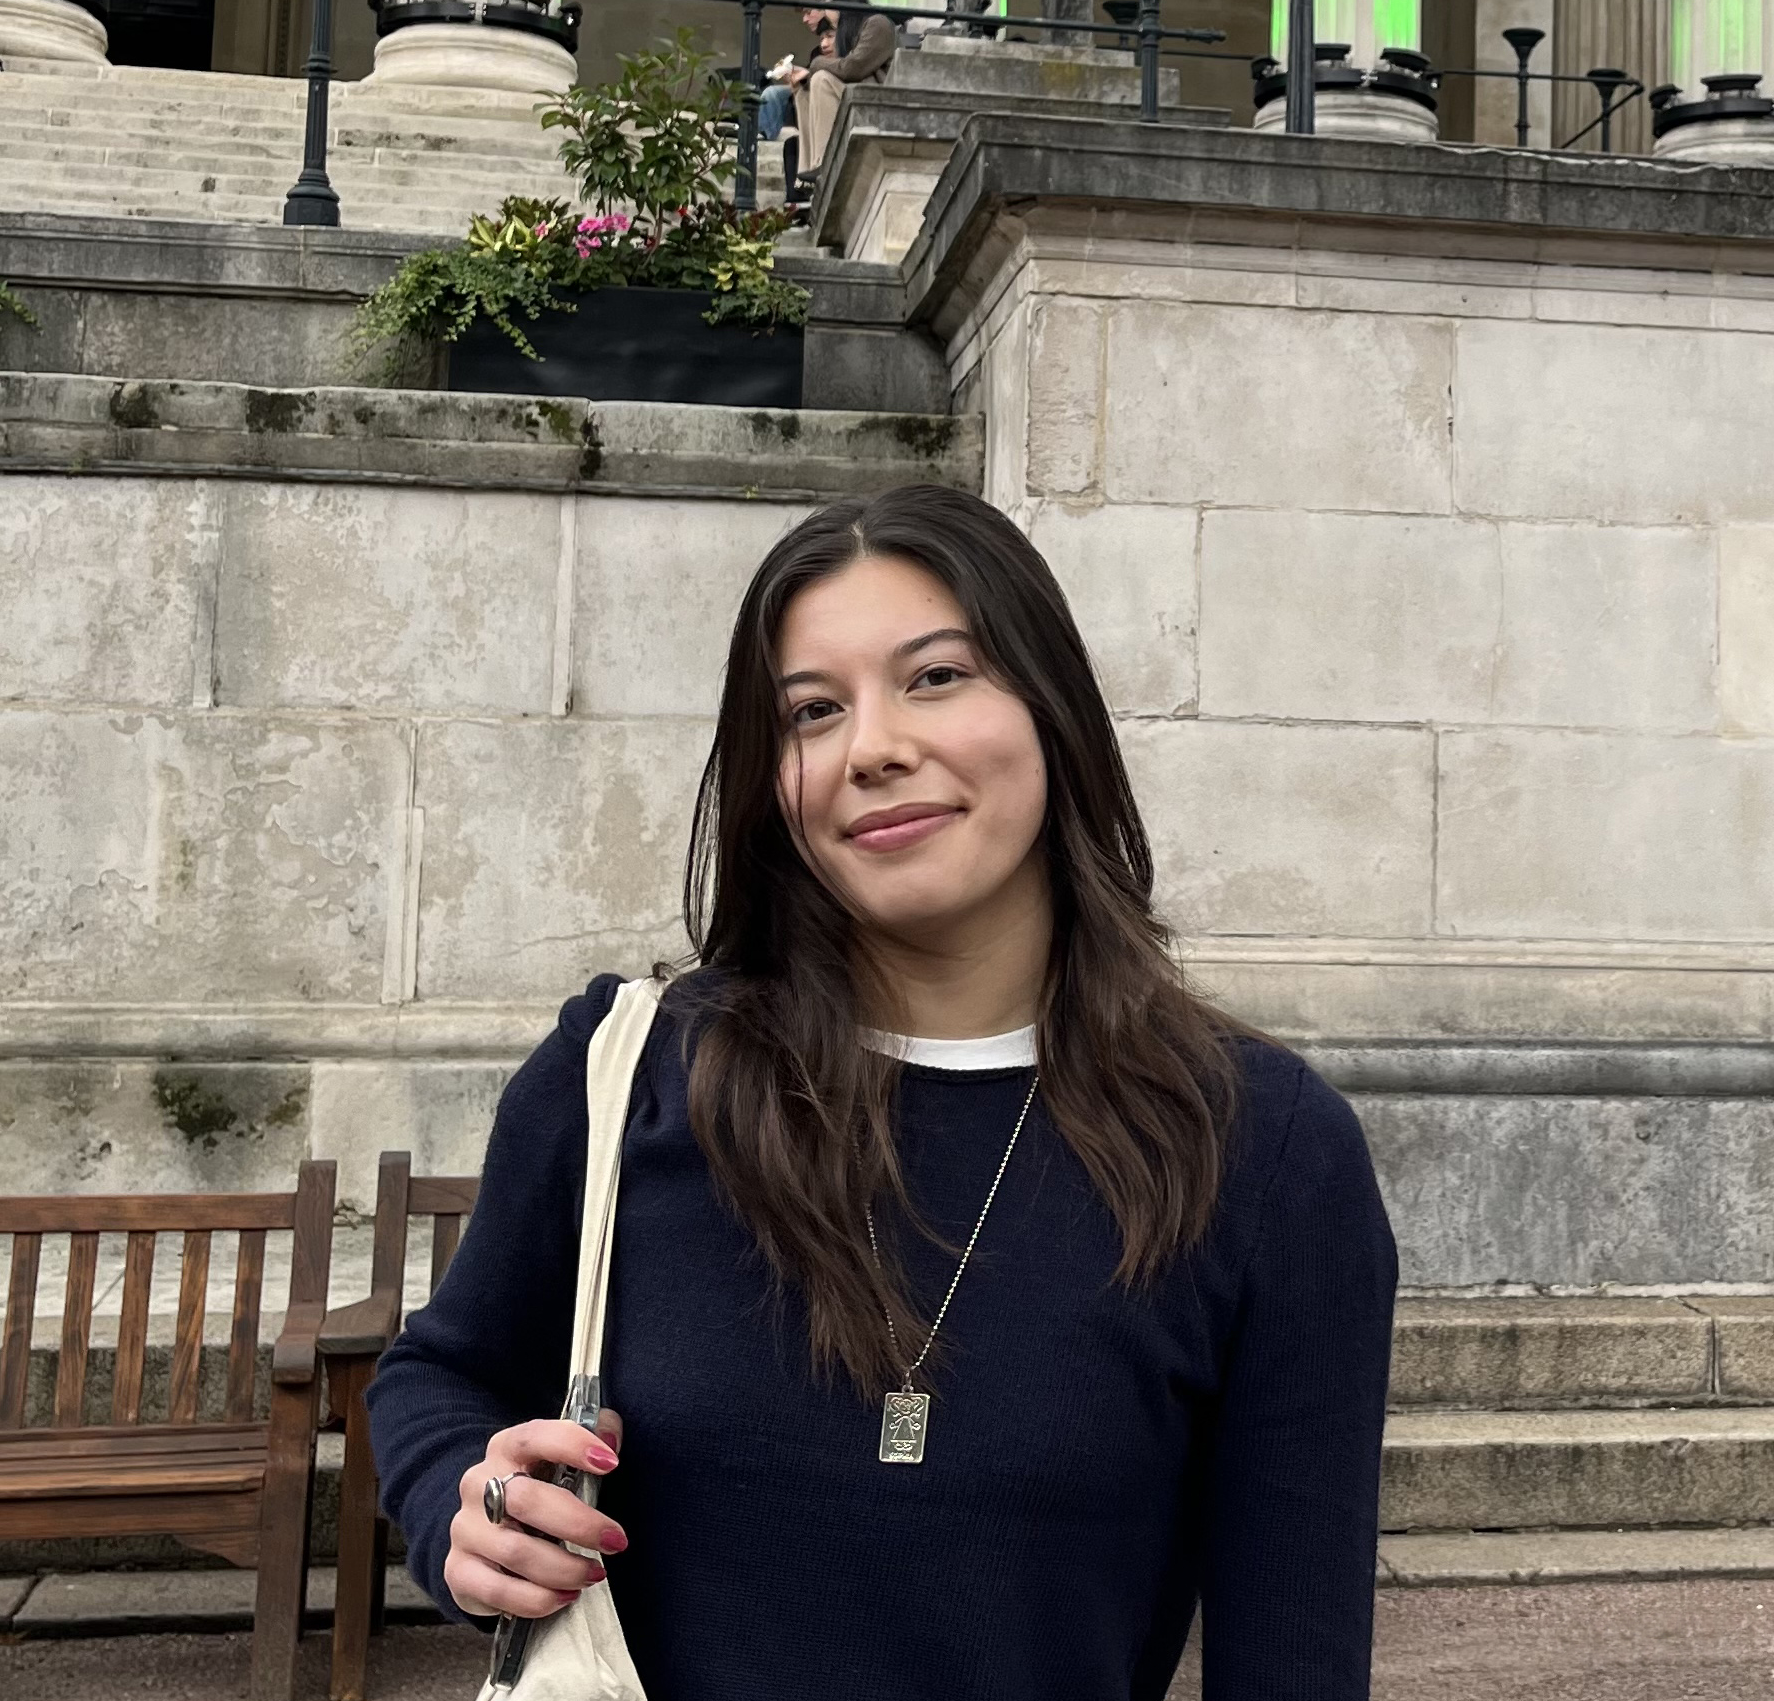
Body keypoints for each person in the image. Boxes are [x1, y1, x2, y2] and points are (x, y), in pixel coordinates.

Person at [365, 484, 1399, 1700]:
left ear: (1051, 709)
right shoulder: (630, 1072)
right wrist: (463, 1508)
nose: (873, 748)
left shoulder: (1263, 1150)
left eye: (937, 677)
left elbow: (1296, 1658)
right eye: (812, 711)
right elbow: (441, 1372)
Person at [753, 3, 898, 204]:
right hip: (853, 97)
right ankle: (807, 172)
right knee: (804, 89)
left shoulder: (878, 24)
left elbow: (852, 69)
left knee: (820, 79)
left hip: (875, 102)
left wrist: (814, 66)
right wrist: (804, 77)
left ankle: (824, 163)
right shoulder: (849, 33)